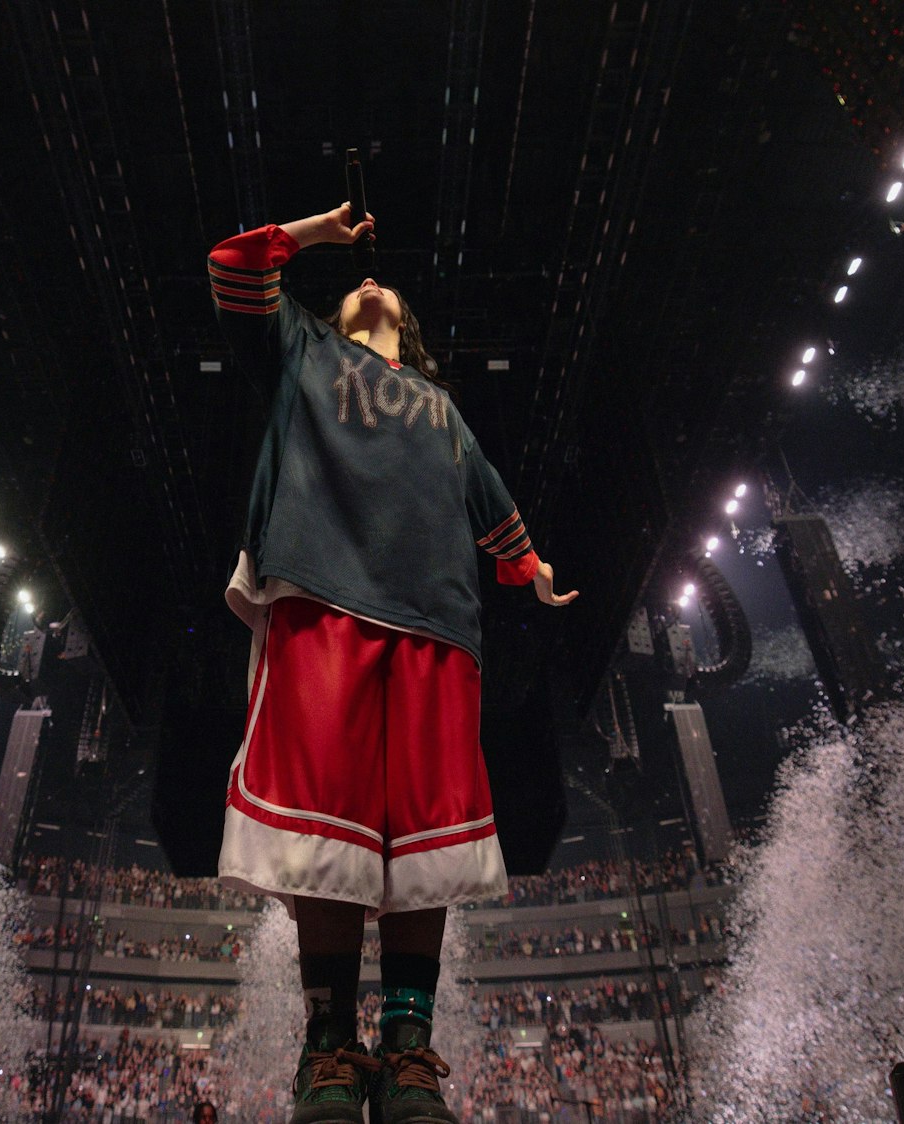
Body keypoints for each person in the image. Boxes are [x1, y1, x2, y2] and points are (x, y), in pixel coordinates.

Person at [207, 203, 578, 1124]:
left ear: (405, 326)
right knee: (322, 831)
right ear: (332, 318)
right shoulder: (303, 353)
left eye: (379, 286)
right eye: (349, 289)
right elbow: (232, 265)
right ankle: (329, 1051)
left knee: (425, 842)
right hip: (323, 599)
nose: (364, 284)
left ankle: (408, 1054)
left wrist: (529, 567)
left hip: (437, 624)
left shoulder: (444, 410)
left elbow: (492, 506)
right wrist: (325, 235)